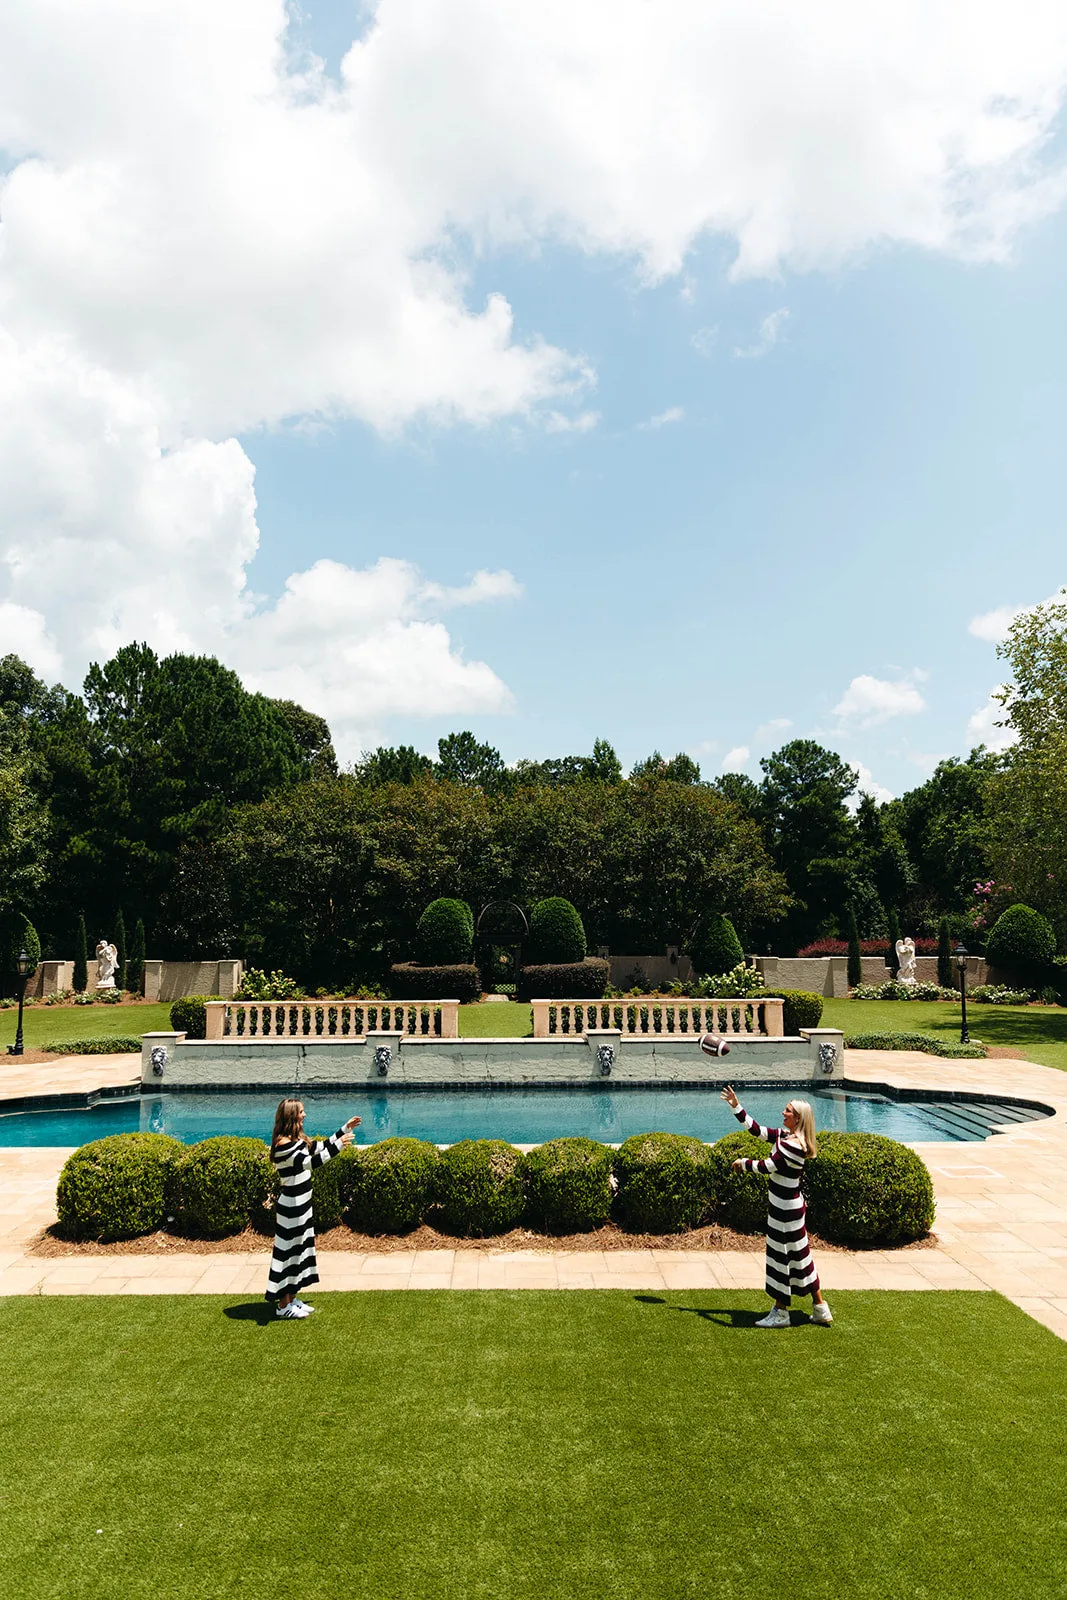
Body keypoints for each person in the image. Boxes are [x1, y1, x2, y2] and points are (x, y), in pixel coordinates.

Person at [720, 1085, 832, 1328]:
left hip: (785, 1211)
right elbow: (757, 1131)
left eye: (788, 1111)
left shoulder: (792, 1146)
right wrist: (735, 1106)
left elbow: (769, 1166)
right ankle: (820, 1308)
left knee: (781, 1258)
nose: (783, 1113)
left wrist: (744, 1163)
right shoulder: (787, 1137)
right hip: (789, 1208)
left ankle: (780, 1313)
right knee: (800, 1256)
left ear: (798, 1118)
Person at [266, 1098, 361, 1320]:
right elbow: (310, 1162)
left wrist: (344, 1129)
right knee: (288, 1254)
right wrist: (340, 1146)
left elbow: (319, 1146)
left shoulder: (296, 1140)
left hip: (302, 1205)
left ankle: (291, 1298)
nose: (305, 1115)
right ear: (292, 1116)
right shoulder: (283, 1145)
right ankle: (282, 1305)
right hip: (291, 1208)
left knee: (299, 1252)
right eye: (301, 1112)